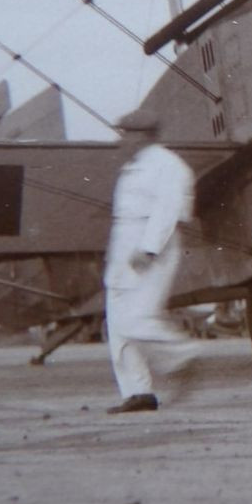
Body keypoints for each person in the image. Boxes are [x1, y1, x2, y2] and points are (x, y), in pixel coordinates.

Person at [103, 109, 196, 414]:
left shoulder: (167, 165)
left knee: (137, 318)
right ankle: (138, 392)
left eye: (126, 134)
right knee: (118, 324)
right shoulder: (133, 167)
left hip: (151, 246)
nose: (122, 141)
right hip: (124, 247)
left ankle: (182, 356)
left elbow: (167, 210)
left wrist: (149, 248)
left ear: (143, 136)